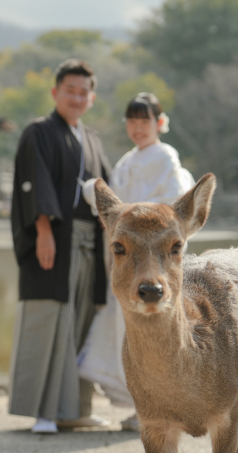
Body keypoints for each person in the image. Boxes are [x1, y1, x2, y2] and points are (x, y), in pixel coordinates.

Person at [78, 92, 196, 431]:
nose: (137, 128)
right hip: (128, 264)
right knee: (126, 330)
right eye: (132, 121)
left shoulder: (165, 156)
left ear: (159, 123)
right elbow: (114, 204)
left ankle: (158, 404)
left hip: (152, 260)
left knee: (156, 332)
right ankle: (139, 403)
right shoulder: (128, 161)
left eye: (144, 121)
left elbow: (173, 205)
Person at [8, 59, 113, 434]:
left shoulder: (93, 139)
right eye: (70, 90)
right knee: (50, 321)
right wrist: (43, 230)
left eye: (83, 92)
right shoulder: (39, 133)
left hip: (89, 246)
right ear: (55, 92)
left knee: (82, 325)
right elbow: (34, 182)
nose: (77, 97)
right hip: (55, 241)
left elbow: (106, 195)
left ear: (92, 97)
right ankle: (44, 411)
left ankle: (74, 409)